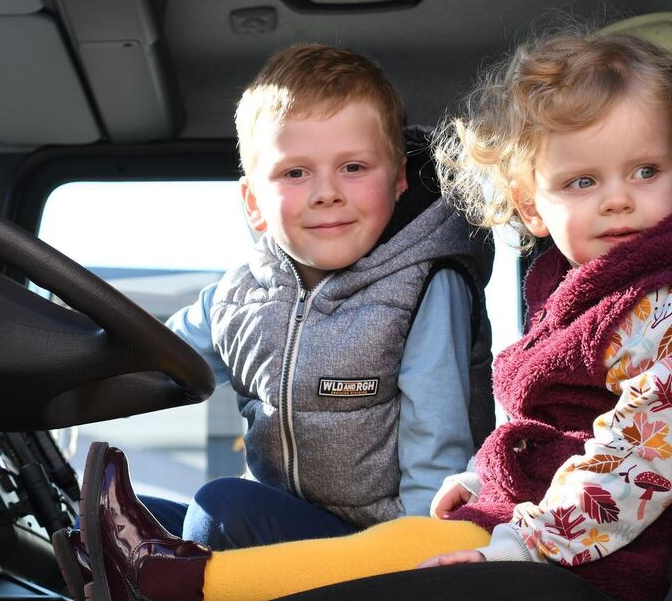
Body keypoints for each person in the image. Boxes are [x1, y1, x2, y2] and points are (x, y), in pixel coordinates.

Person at [58, 25, 672, 601]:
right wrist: (482, 485)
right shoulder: (586, 290)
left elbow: (636, 460)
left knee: (358, 533)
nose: (618, 198)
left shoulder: (671, 300)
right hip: (534, 529)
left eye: (645, 171)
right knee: (199, 509)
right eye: (584, 180)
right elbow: (548, 435)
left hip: (593, 560)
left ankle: (165, 594)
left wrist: (500, 542)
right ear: (532, 206)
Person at [136, 43, 495, 548]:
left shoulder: (425, 285)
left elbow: (436, 445)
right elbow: (147, 360)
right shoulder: (238, 297)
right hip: (286, 526)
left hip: (381, 546)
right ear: (253, 203)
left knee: (221, 511)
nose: (327, 192)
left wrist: (416, 563)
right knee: (121, 525)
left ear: (397, 183)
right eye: (295, 173)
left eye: (353, 167)